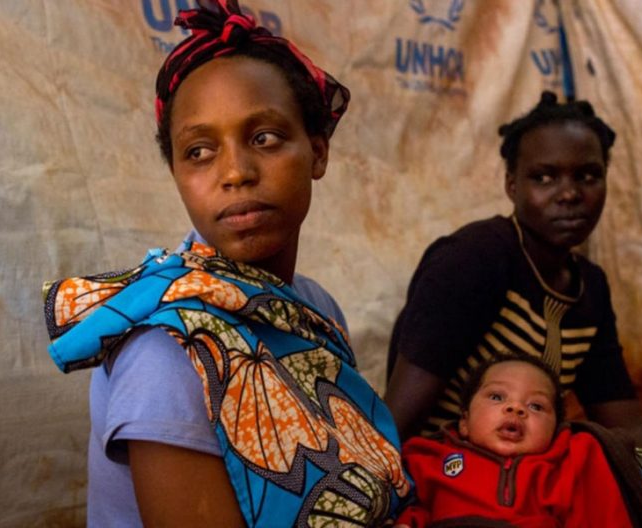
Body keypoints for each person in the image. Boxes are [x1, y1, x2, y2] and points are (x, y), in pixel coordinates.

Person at [42, 1, 410, 526]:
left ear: (318, 152)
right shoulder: (171, 349)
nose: (235, 172)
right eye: (199, 151)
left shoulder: (315, 306)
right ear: (176, 174)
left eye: (264, 138)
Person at [385, 91, 642, 458]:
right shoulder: (473, 259)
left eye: (588, 176)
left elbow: (627, 427)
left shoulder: (589, 288)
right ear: (512, 185)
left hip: (530, 481)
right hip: (445, 473)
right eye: (544, 177)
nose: (569, 194)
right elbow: (396, 424)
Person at [394, 355, 642, 527]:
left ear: (554, 430)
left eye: (536, 406)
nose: (516, 408)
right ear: (464, 422)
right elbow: (406, 507)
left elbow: (601, 518)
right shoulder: (428, 458)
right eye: (497, 397)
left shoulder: (566, 466)